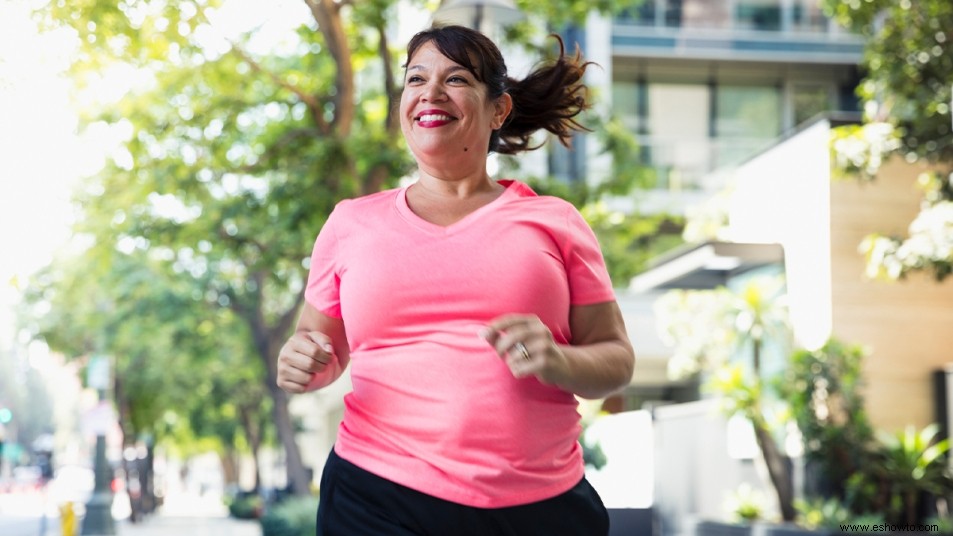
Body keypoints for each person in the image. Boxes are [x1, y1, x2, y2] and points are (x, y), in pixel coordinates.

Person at [276, 24, 635, 536]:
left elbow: (616, 361)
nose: (430, 92)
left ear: (498, 110)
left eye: (457, 79)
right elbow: (319, 351)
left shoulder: (554, 220)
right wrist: (301, 363)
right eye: (416, 78)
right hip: (376, 495)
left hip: (539, 506)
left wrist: (558, 360)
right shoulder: (351, 223)